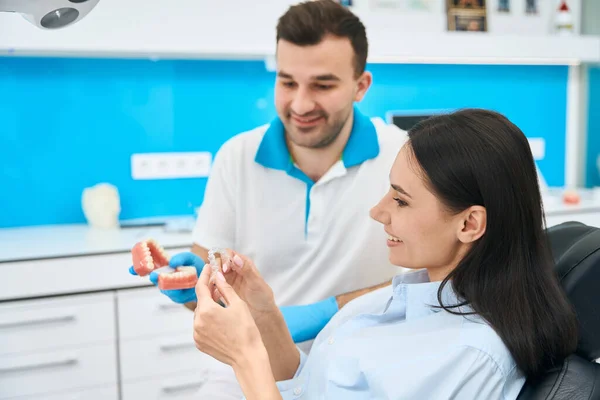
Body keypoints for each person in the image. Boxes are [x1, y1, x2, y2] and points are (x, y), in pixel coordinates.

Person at [191, 108, 580, 399]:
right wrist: (264, 314)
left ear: (469, 224)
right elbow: (311, 387)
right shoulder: (398, 299)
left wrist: (245, 358)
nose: (378, 212)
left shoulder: (468, 356)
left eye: (401, 200)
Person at [129, 0, 407, 397]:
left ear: (361, 86)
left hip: (363, 364)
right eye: (288, 81)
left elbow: (449, 277)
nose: (300, 104)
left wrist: (331, 310)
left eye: (322, 85)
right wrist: (198, 292)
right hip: (246, 360)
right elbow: (212, 293)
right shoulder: (237, 157)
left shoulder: (405, 158)